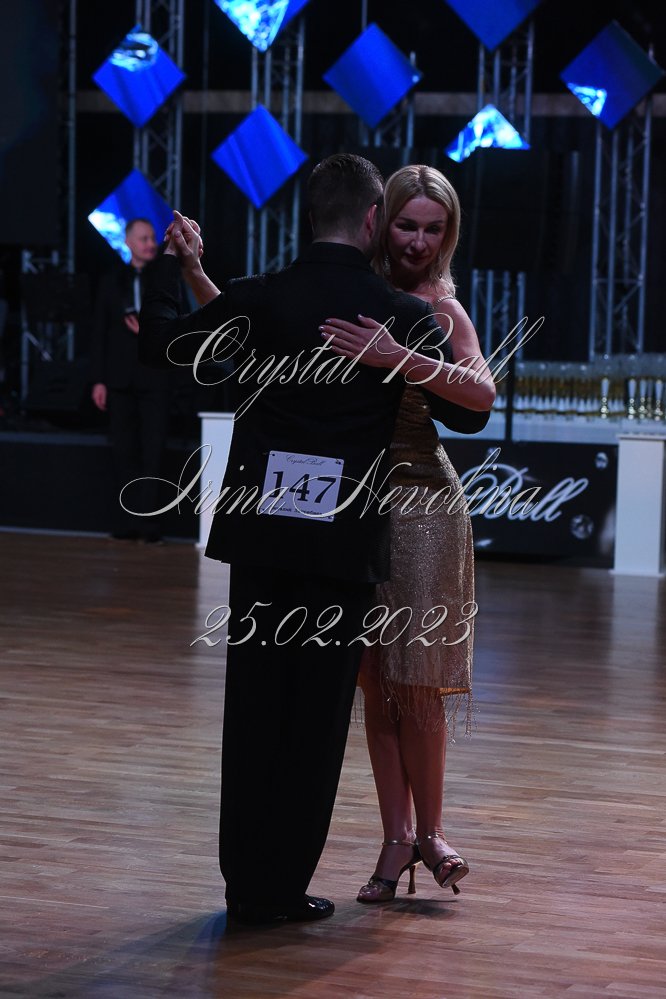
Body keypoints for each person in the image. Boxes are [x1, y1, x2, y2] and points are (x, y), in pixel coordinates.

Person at [138, 154, 492, 926]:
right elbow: (472, 413)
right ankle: (283, 882)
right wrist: (400, 355)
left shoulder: (264, 296)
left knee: (254, 708)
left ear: (308, 216)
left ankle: (248, 885)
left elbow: (166, 347)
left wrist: (172, 270)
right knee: (316, 718)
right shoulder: (394, 313)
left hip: (264, 536)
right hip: (342, 543)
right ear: (372, 219)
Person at [321, 164, 495, 903]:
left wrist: (400, 358)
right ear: (378, 221)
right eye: (406, 225)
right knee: (376, 684)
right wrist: (196, 275)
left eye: (434, 229)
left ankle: (432, 832)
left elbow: (482, 393)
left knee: (420, 686)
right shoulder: (352, 291)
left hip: (424, 507)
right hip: (355, 505)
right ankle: (396, 839)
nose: (419, 242)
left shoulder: (443, 309)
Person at [90, 218, 171, 542]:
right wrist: (98, 380)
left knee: (153, 451)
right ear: (128, 242)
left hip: (155, 377)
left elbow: (179, 324)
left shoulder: (164, 279)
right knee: (123, 452)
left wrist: (148, 332)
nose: (150, 244)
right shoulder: (111, 281)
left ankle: (150, 525)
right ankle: (127, 522)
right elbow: (99, 333)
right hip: (119, 378)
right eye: (144, 238)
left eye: (152, 238)